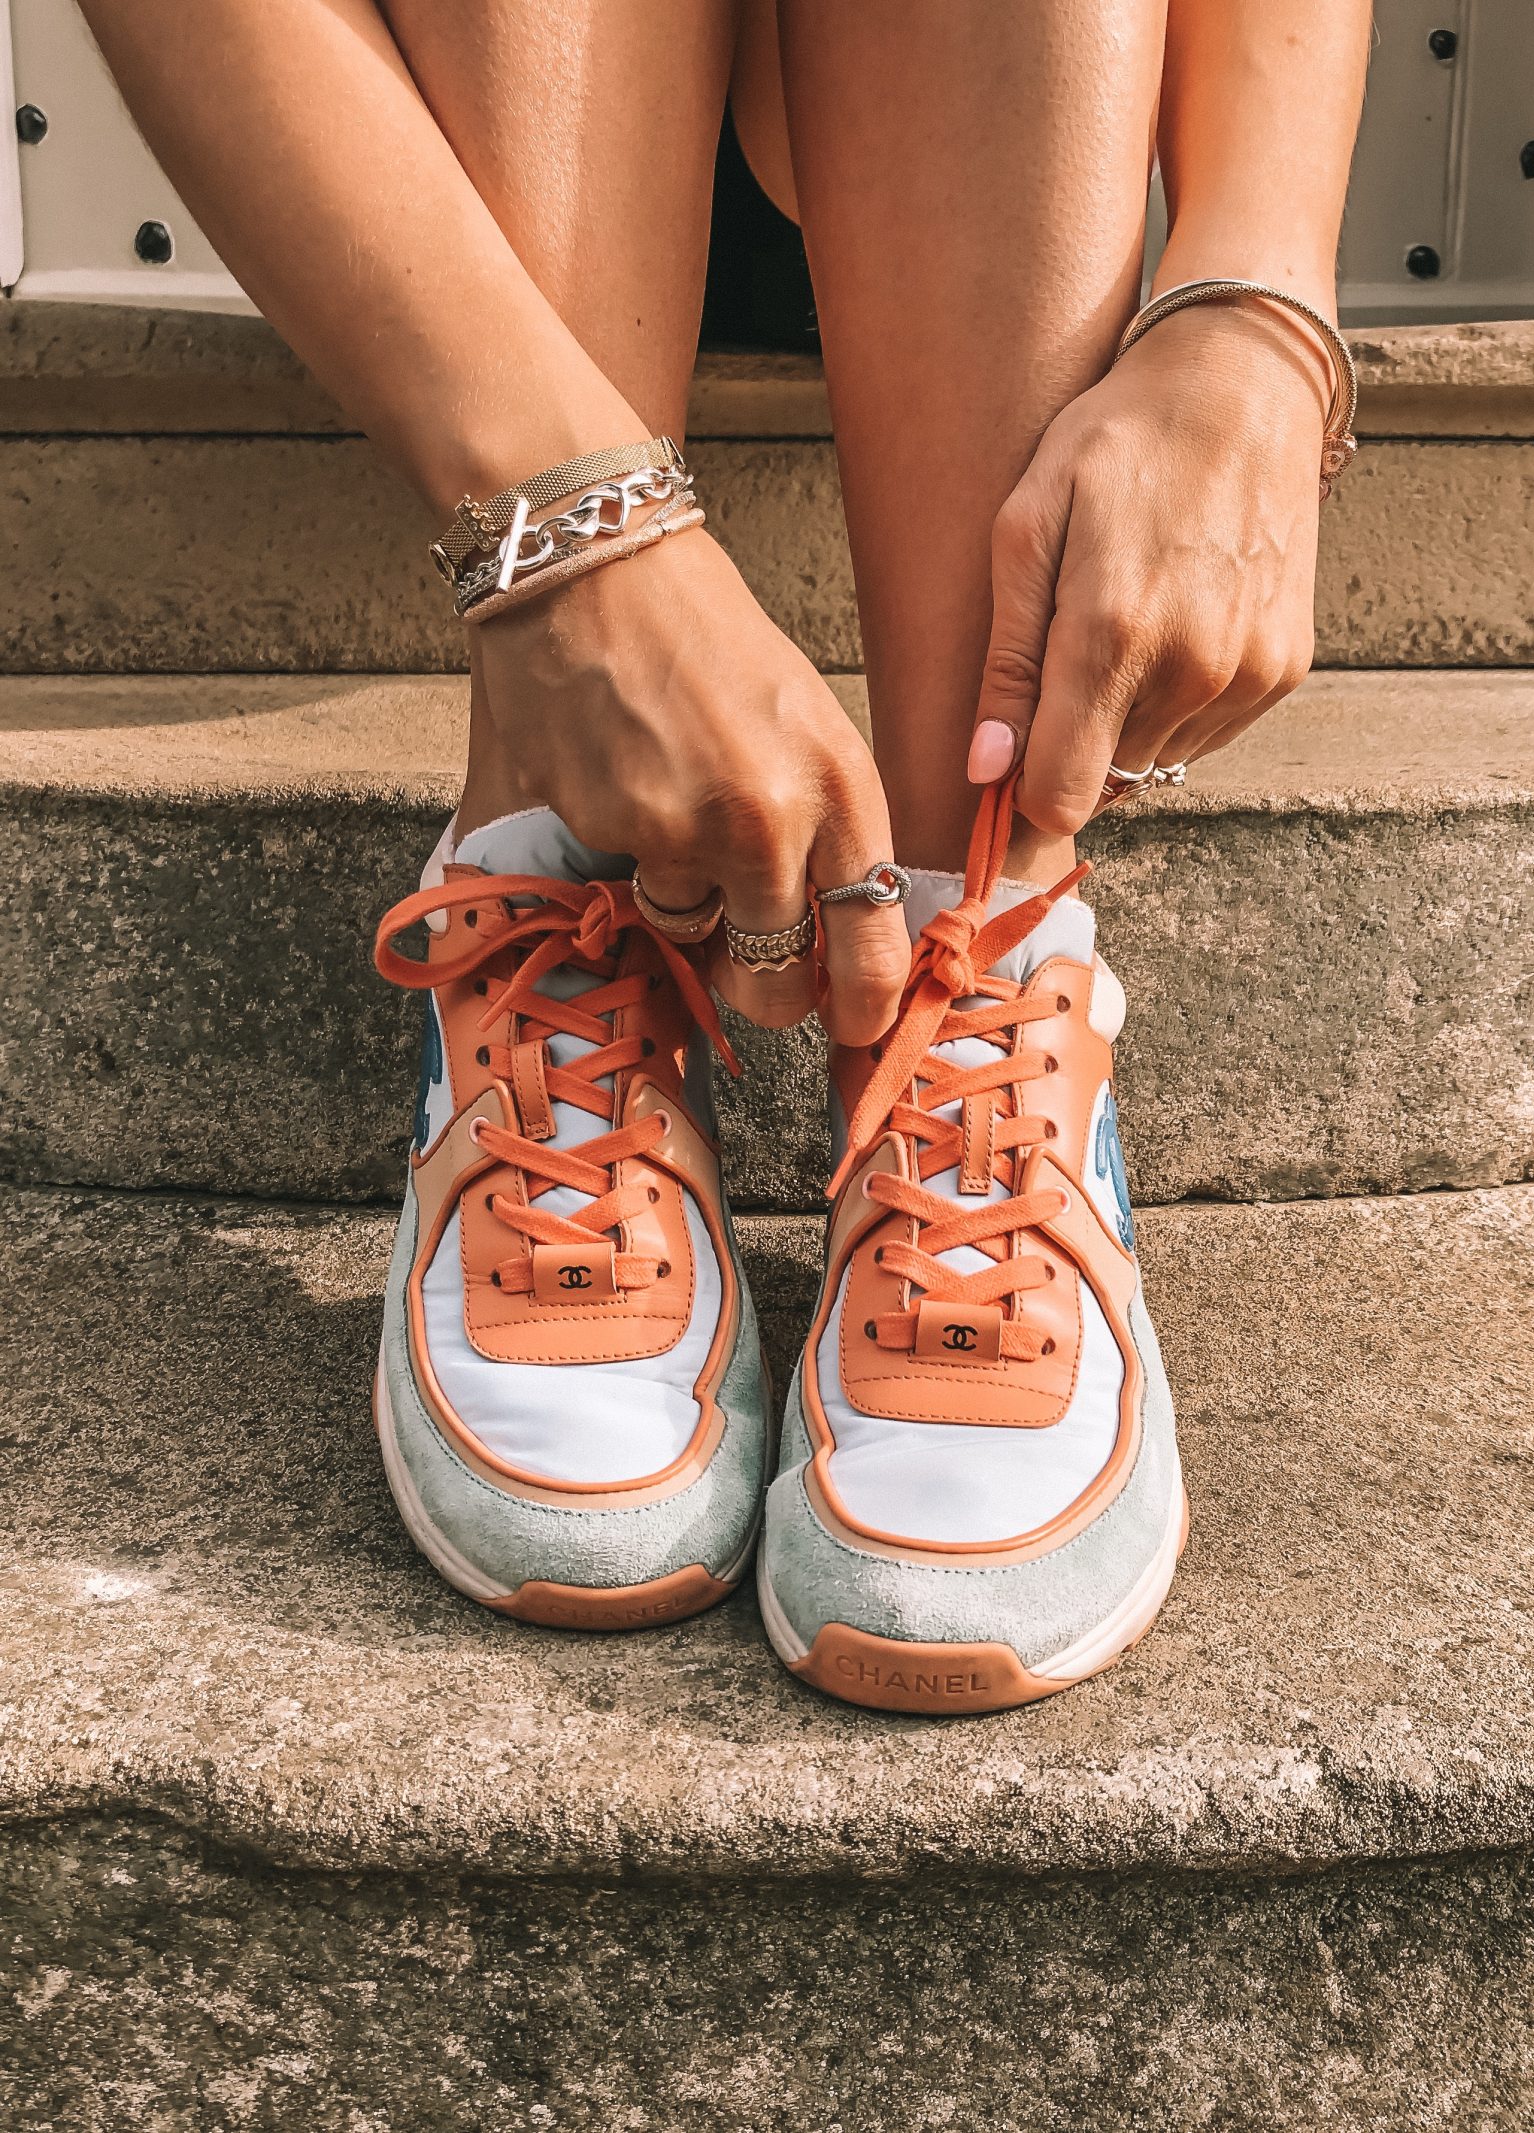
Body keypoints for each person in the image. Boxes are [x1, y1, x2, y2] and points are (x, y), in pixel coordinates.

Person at [84, 0, 1370, 1711]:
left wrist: (1257, 294)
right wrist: (567, 537)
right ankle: (552, 847)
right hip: (429, 166)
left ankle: (971, 918)